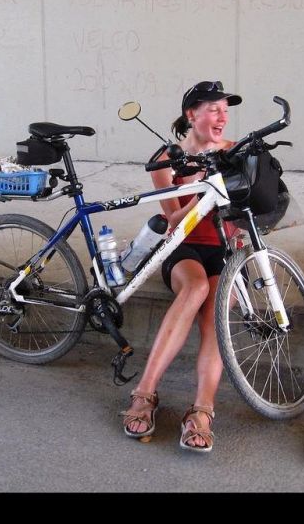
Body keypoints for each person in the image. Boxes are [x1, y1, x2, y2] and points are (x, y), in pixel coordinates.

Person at [120, 80, 241, 452]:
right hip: (184, 248)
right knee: (196, 287)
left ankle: (202, 411)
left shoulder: (235, 152)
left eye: (225, 109)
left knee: (215, 310)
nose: (222, 116)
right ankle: (144, 393)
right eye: (213, 109)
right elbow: (173, 222)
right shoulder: (165, 160)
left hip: (224, 251)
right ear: (193, 115)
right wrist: (199, 190)